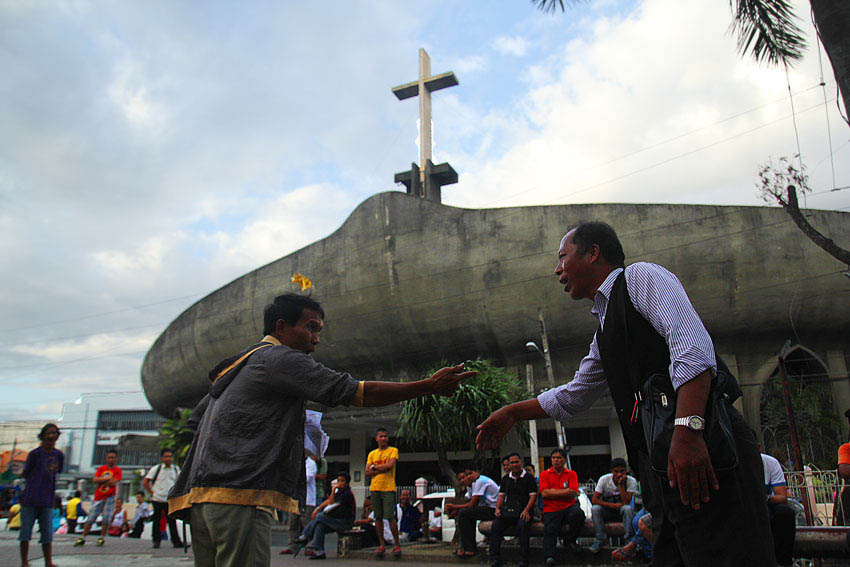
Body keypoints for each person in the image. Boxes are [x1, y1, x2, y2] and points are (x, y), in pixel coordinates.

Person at [476, 222, 774, 566]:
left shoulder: (640, 278)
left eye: (562, 257)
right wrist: (513, 412)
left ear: (593, 253)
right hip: (667, 467)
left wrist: (688, 432)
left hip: (706, 450)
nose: (557, 270)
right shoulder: (605, 331)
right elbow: (574, 395)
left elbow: (693, 349)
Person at [167, 293, 474, 567]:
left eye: (319, 331)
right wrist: (427, 386)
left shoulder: (238, 364)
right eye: (311, 328)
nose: (316, 338)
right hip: (238, 496)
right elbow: (355, 392)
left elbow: (196, 421)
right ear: (282, 327)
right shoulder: (281, 359)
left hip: (200, 498)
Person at [19, 422, 64, 567]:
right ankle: (25, 562)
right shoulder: (34, 454)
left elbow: (57, 473)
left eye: (54, 433)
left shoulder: (59, 455)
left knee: (47, 534)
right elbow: (25, 473)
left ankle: (48, 562)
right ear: (43, 435)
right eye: (49, 433)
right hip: (30, 499)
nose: (51, 436)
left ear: (57, 436)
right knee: (25, 533)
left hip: (47, 500)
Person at [292, 472, 357, 560]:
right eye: (338, 481)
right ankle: (319, 551)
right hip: (337, 520)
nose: (340, 483)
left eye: (342, 481)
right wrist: (318, 508)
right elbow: (329, 501)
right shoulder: (340, 493)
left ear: (347, 483)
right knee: (320, 525)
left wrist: (333, 490)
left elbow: (331, 503)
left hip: (345, 522)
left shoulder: (347, 494)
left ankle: (305, 536)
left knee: (320, 517)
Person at [489, 452, 537, 567]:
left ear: (521, 463)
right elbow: (501, 496)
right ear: (508, 465)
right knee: (495, 526)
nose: (514, 464)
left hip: (524, 511)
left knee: (523, 526)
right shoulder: (506, 479)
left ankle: (524, 559)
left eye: (516, 462)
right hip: (509, 512)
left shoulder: (529, 478)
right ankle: (495, 558)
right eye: (512, 463)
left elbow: (533, 496)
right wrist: (497, 509)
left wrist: (526, 510)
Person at [539, 448, 584, 566]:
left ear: (564, 460)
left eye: (559, 458)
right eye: (554, 458)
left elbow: (573, 492)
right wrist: (565, 492)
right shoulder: (544, 474)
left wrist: (553, 492)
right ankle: (549, 556)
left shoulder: (571, 474)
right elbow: (544, 493)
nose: (556, 460)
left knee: (578, 514)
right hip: (551, 509)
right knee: (550, 529)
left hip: (569, 507)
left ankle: (570, 541)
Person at [446, 465, 499, 559]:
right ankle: (465, 547)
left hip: (495, 509)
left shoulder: (480, 481)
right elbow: (469, 503)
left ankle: (469, 549)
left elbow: (472, 505)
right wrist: (455, 511)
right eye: (462, 478)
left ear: (476, 473)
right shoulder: (471, 486)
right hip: (487, 508)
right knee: (464, 514)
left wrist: (454, 506)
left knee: (464, 513)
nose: (465, 478)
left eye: (468, 474)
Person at [589, 458, 637, 553]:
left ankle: (628, 540)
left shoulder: (631, 481)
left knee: (628, 509)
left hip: (621, 510)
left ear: (626, 471)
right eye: (616, 471)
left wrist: (621, 485)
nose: (619, 474)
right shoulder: (604, 480)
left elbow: (626, 501)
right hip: (607, 509)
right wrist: (612, 505)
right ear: (611, 471)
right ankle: (600, 540)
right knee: (595, 509)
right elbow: (594, 500)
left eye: (622, 471)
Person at [75, 448, 122, 547]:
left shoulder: (117, 470)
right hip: (98, 497)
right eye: (109, 457)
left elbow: (114, 482)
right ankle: (83, 537)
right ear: (106, 458)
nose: (111, 460)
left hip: (110, 497)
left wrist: (103, 480)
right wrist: (106, 479)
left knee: (106, 518)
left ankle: (102, 537)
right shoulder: (101, 469)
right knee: (91, 518)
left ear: (116, 459)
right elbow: (95, 479)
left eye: (113, 458)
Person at [365, 427, 400, 556]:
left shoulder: (393, 451)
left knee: (390, 516)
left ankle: (396, 544)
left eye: (385, 436)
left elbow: (390, 466)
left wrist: (375, 467)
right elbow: (367, 472)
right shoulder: (372, 454)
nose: (383, 438)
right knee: (377, 517)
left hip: (388, 487)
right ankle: (381, 544)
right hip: (375, 488)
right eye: (381, 436)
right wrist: (380, 468)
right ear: (376, 439)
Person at [143, 448, 184, 548]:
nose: (168, 458)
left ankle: (176, 541)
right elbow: (146, 481)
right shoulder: (156, 469)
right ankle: (156, 540)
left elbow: (180, 482)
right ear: (162, 458)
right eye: (166, 456)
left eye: (170, 456)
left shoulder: (175, 469)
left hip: (170, 499)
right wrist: (151, 492)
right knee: (156, 521)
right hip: (157, 498)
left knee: (172, 521)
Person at [762, 451, 795, 566]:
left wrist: (765, 498)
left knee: (785, 513)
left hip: (766, 505)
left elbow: (782, 497)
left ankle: (783, 563)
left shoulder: (770, 463)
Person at [282, 456, 318, 555]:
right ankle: (292, 546)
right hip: (294, 499)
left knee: (306, 523)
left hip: (307, 499)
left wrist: (293, 477)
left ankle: (310, 546)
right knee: (293, 523)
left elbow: (307, 478)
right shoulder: (294, 462)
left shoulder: (311, 464)